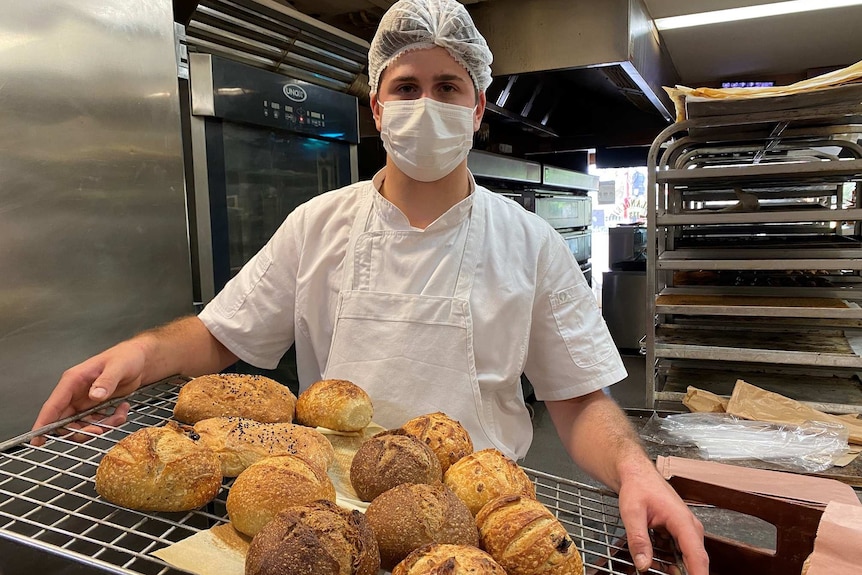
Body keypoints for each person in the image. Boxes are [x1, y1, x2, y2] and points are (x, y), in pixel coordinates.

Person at [32, 0, 708, 572]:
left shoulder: (529, 243)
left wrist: (635, 470)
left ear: (477, 110)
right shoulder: (317, 225)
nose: (426, 103)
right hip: (324, 531)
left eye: (448, 87)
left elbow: (579, 398)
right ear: (378, 110)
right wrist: (140, 354)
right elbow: (219, 332)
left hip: (472, 529)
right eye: (406, 87)